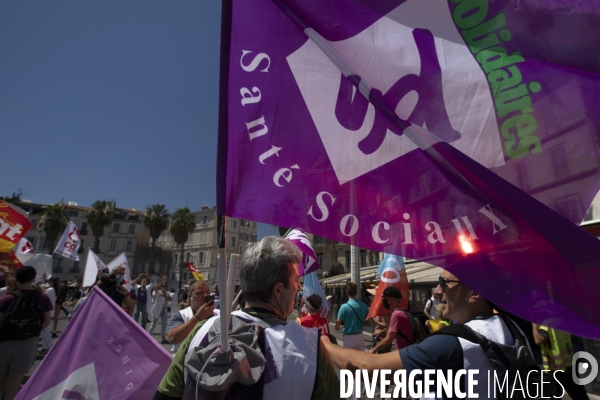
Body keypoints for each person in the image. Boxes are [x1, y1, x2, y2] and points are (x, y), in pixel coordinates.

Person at [153, 236, 339, 400]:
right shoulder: (310, 346)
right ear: (279, 289)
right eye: (296, 280)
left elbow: (164, 395)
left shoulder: (200, 330)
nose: (299, 287)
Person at [321, 270, 533, 399]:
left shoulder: (455, 342)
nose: (438, 291)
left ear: (475, 293)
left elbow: (369, 369)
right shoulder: (513, 326)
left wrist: (325, 344)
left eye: (445, 283)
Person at [0, 266, 53, 400]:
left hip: (4, 341)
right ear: (33, 278)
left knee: (1, 380)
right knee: (15, 381)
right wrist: (34, 332)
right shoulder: (43, 297)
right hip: (28, 343)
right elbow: (47, 321)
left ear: (17, 279)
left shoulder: (7, 298)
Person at [532, 324, 590, 399]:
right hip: (569, 363)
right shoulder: (562, 319)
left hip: (556, 367)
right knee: (580, 395)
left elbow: (538, 340)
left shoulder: (546, 322)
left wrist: (534, 325)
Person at [166, 280, 217, 355]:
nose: (205, 295)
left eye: (207, 292)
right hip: (185, 361)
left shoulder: (218, 314)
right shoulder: (181, 315)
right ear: (190, 296)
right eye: (199, 293)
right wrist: (198, 317)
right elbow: (173, 338)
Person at [335, 282, 369, 351]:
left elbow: (337, 325)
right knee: (360, 359)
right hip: (360, 336)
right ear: (356, 292)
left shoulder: (344, 307)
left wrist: (338, 328)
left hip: (349, 337)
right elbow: (369, 323)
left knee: (349, 359)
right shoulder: (364, 306)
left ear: (346, 292)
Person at [148, 274, 172, 344]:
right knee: (154, 323)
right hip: (158, 309)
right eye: (162, 286)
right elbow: (155, 287)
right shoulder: (158, 292)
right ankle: (148, 337)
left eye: (165, 286)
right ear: (161, 287)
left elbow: (171, 299)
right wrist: (160, 282)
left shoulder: (167, 293)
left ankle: (163, 338)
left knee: (164, 324)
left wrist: (165, 296)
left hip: (164, 310)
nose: (163, 288)